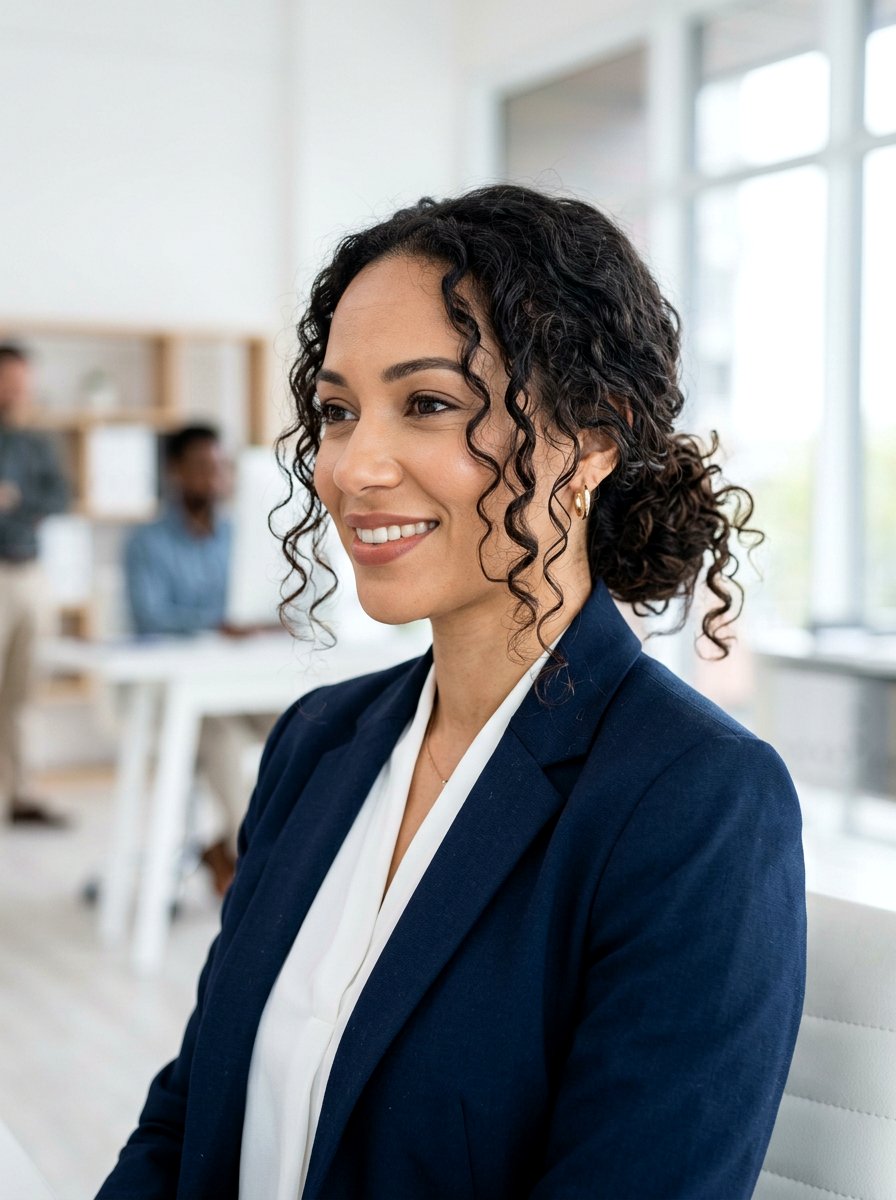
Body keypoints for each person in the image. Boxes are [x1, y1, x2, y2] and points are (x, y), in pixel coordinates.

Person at [98, 186, 806, 1200]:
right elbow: (188, 1114)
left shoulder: (695, 800)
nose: (353, 467)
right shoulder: (317, 741)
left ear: (591, 440)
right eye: (337, 412)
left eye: (427, 404)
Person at [124, 424, 274, 894]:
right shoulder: (146, 541)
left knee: (304, 722)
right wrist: (219, 624)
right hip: (172, 694)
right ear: (175, 471)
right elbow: (150, 617)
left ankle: (250, 847)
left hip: (235, 685)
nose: (215, 479)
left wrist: (270, 618)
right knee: (220, 736)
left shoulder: (239, 536)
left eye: (222, 468)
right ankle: (250, 857)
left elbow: (254, 601)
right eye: (203, 468)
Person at [0, 342, 70, 826]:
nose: (16, 390)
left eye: (21, 381)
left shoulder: (37, 443)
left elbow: (60, 497)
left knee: (25, 691)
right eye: (8, 380)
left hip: (29, 573)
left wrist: (15, 501)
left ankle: (21, 793)